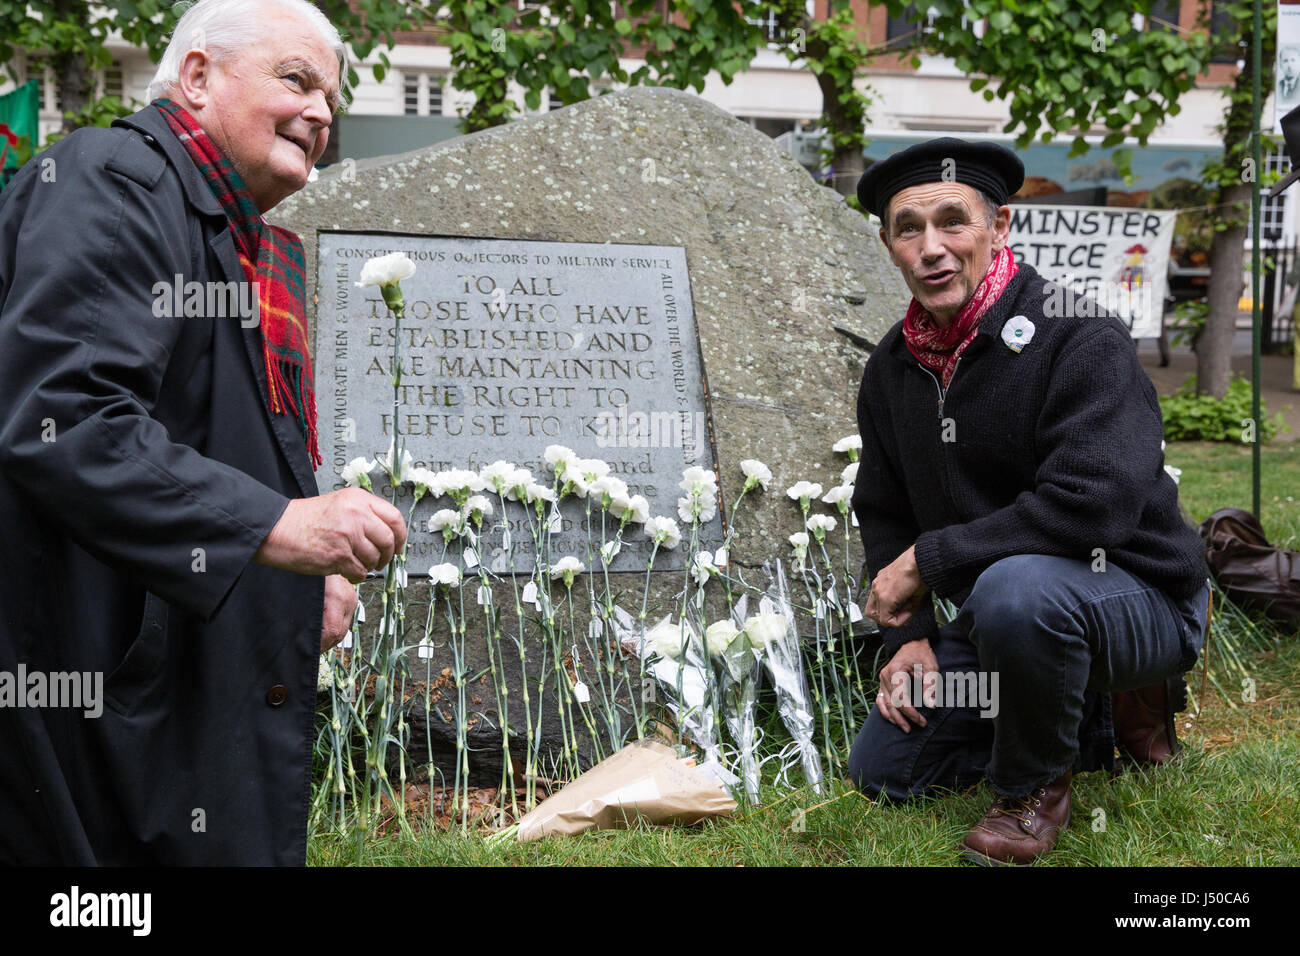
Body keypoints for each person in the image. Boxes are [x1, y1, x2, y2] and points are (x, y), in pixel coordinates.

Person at [0, 0, 406, 865]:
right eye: (295, 80)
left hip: (162, 682)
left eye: (332, 96)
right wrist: (278, 525)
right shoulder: (116, 179)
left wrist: (300, 577)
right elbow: (65, 421)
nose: (323, 112)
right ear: (196, 77)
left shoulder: (226, 230)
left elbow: (210, 432)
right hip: (84, 685)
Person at [846, 138, 1212, 866]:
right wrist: (908, 635)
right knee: (886, 770)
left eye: (954, 220)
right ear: (888, 244)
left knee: (1019, 589)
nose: (932, 248)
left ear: (1000, 228)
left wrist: (933, 557)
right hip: (1005, 616)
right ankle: (1089, 718)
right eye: (908, 229)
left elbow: (1094, 508)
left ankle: (1030, 792)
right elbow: (883, 508)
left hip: (1138, 595)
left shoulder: (1080, 333)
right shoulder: (893, 366)